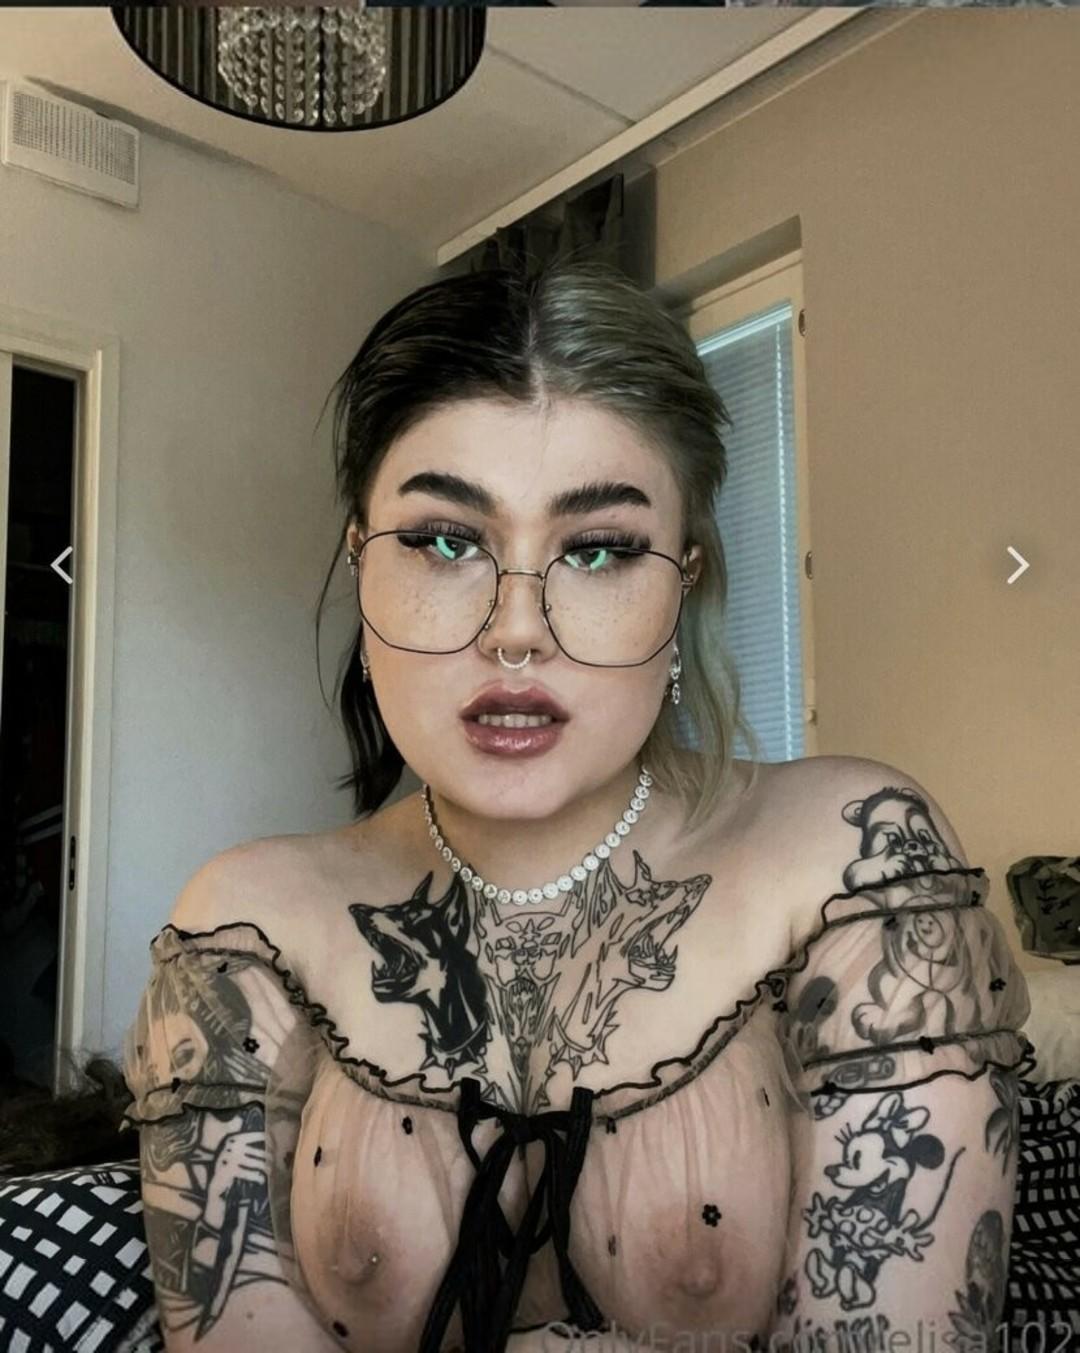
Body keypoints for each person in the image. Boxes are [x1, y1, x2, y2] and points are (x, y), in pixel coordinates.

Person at [23, 259, 1038, 1352]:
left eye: (599, 549)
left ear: (685, 581)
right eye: (446, 541)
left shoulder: (859, 859)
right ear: (361, 567)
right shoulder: (245, 925)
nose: (517, 630)